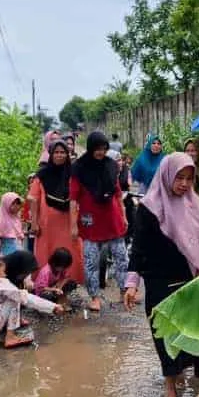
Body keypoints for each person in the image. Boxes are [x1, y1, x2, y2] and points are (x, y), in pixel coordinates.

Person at [123, 152, 199, 397]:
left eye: (189, 179)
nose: (185, 184)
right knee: (165, 337)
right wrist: (132, 283)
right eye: (179, 178)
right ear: (167, 175)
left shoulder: (197, 205)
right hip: (159, 282)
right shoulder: (149, 207)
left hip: (191, 280)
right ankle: (171, 391)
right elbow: (138, 248)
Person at [70, 131, 129, 312]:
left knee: (122, 258)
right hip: (91, 221)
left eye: (104, 149)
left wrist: (124, 216)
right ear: (90, 148)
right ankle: (94, 297)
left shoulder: (111, 166)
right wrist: (73, 224)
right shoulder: (79, 168)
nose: (101, 152)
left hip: (112, 219)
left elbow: (118, 194)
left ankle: (123, 291)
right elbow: (73, 199)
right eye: (97, 149)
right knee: (90, 261)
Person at [0, 256, 62, 349]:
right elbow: (27, 298)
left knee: (2, 300)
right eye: (3, 271)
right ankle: (10, 337)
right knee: (15, 298)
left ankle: (2, 328)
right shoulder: (1, 282)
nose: (5, 274)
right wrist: (53, 307)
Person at [28, 139, 84, 285]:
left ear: (68, 154)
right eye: (56, 152)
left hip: (69, 222)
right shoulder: (42, 174)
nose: (59, 155)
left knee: (72, 252)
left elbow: (81, 197)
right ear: (51, 154)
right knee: (46, 252)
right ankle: (43, 284)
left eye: (63, 152)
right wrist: (34, 222)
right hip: (47, 225)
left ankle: (66, 284)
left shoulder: (74, 174)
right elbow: (33, 198)